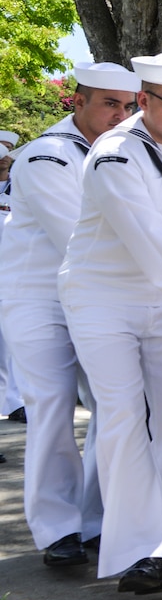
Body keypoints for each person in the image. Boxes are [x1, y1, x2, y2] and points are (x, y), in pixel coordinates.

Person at [59, 53, 162, 594]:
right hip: (105, 298)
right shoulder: (114, 155)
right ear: (143, 100)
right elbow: (152, 244)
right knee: (123, 416)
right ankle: (139, 548)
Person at [0, 62, 139, 567]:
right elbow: (78, 242)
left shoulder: (128, 153)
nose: (120, 115)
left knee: (114, 405)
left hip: (100, 297)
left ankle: (97, 520)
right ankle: (57, 528)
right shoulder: (46, 156)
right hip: (40, 299)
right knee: (52, 409)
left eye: (128, 106)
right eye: (109, 103)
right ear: (77, 102)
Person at [0, 130, 25, 419]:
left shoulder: (17, 185)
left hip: (11, 275)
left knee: (10, 344)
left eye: (7, 149)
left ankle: (13, 402)